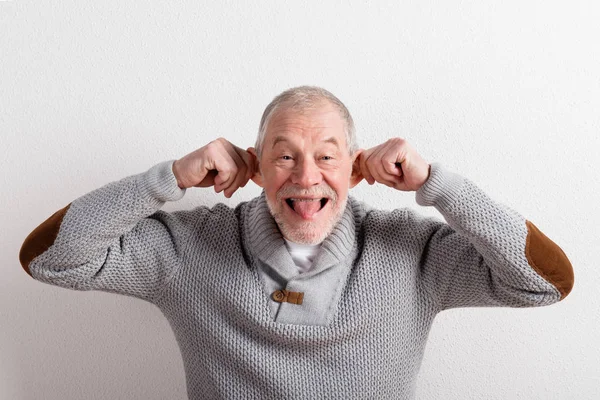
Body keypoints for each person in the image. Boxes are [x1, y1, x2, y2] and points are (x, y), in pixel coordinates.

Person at [19, 86, 574, 399]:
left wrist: (438, 184)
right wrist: (171, 177)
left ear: (355, 172)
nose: (306, 177)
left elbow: (543, 283)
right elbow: (52, 259)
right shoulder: (189, 250)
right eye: (285, 155)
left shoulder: (412, 254)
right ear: (256, 168)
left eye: (327, 156)